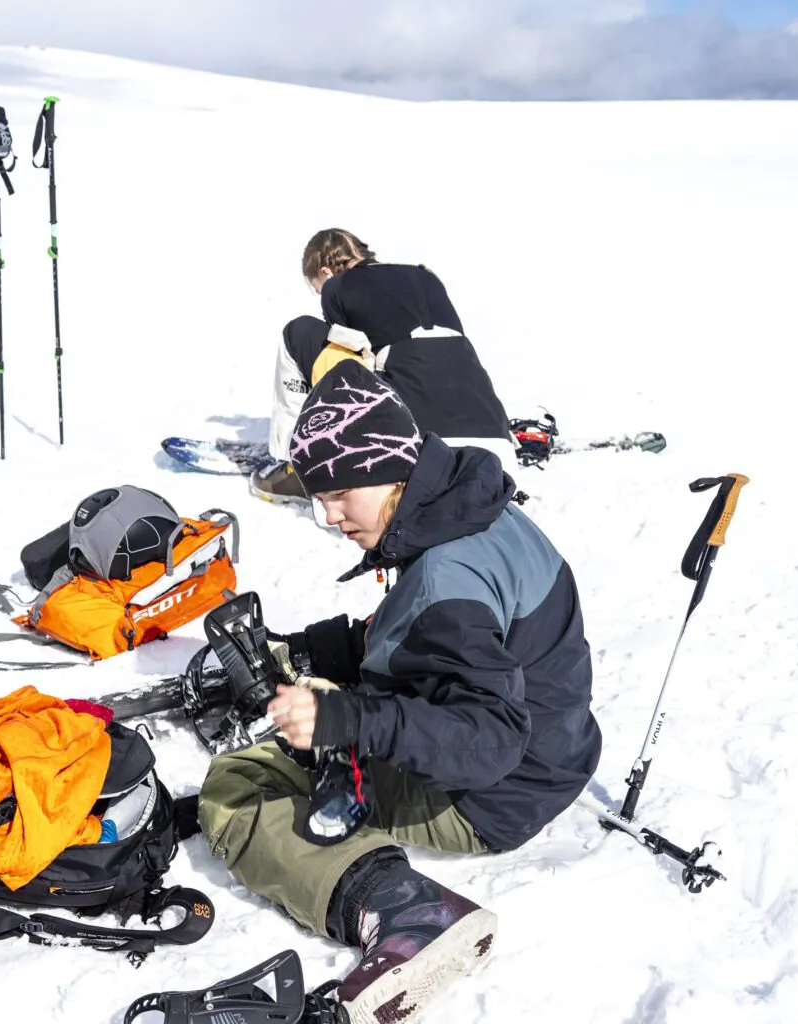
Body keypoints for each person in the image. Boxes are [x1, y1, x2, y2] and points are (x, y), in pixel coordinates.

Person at [199, 361, 602, 1024]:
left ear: (389, 469)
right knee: (323, 701)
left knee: (239, 785)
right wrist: (307, 652)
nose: (329, 516)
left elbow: (490, 739)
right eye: (318, 496)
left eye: (339, 493)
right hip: (556, 752)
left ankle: (403, 911)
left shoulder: (448, 581)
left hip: (491, 794)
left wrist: (345, 718)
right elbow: (422, 633)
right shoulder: (470, 508)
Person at [254, 227, 517, 503]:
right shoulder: (426, 277)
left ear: (326, 272)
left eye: (316, 287)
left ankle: (297, 467)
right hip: (494, 451)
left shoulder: (336, 287)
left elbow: (345, 358)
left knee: (299, 333)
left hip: (413, 453)